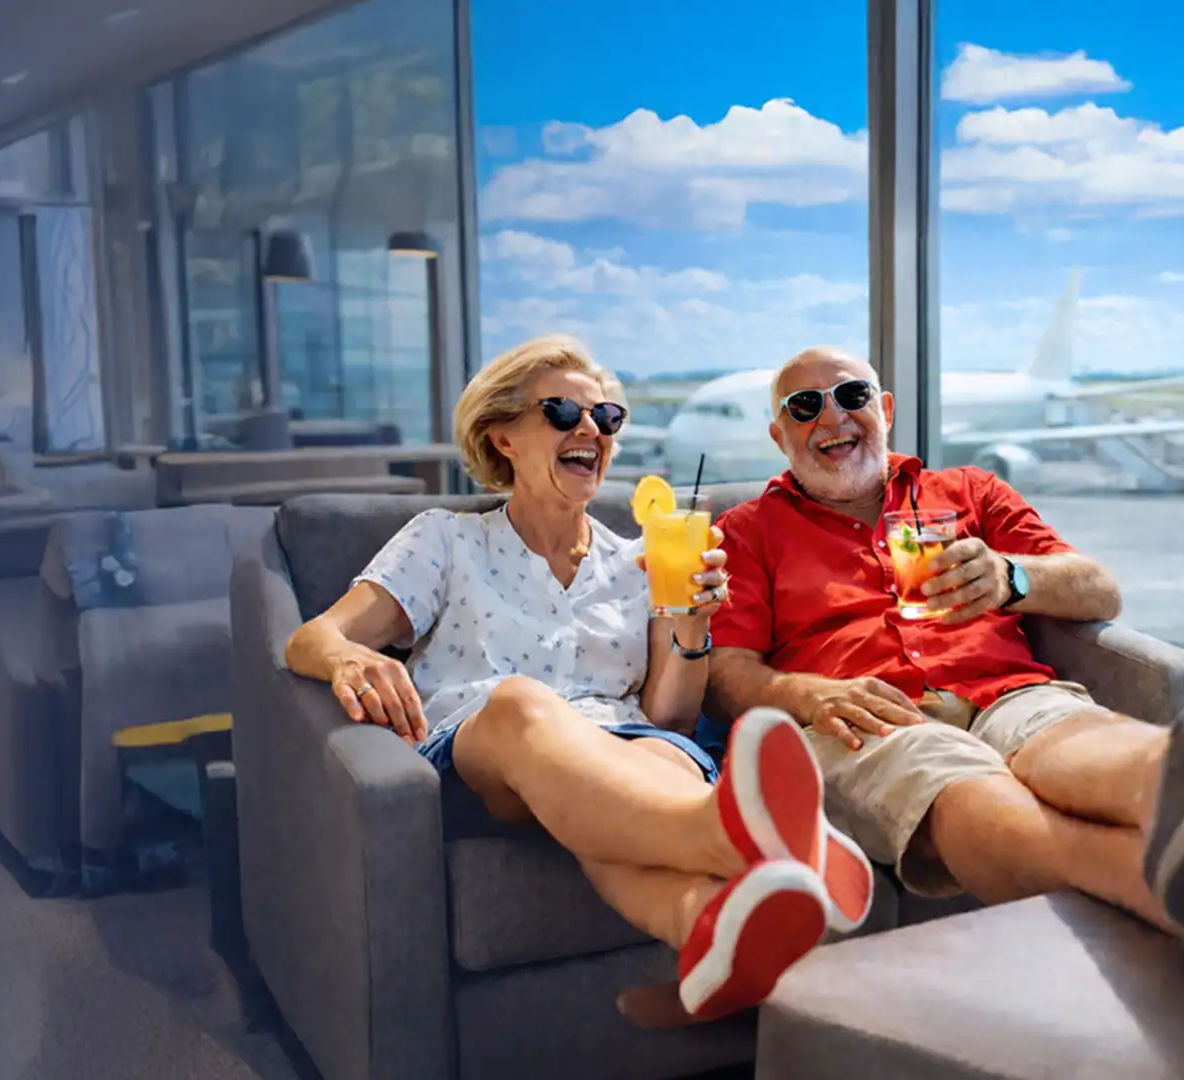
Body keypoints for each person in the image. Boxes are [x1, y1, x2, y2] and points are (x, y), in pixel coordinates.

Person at [705, 346, 1184, 966]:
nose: (834, 419)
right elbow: (728, 675)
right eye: (805, 407)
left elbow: (1099, 589)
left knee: (1072, 735)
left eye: (852, 396)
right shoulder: (748, 531)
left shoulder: (969, 492)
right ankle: (1177, 897)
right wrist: (809, 696)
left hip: (1004, 688)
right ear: (779, 434)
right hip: (867, 716)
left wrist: (1013, 578)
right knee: (958, 784)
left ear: (883, 408)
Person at [284, 335, 879, 1022]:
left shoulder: (643, 561)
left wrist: (688, 626)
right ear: (501, 436)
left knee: (656, 758)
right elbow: (313, 637)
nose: (591, 430)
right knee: (523, 707)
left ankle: (714, 932)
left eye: (607, 417)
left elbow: (672, 718)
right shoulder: (444, 539)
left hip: (616, 746)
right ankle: (738, 834)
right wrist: (346, 657)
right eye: (564, 413)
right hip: (488, 753)